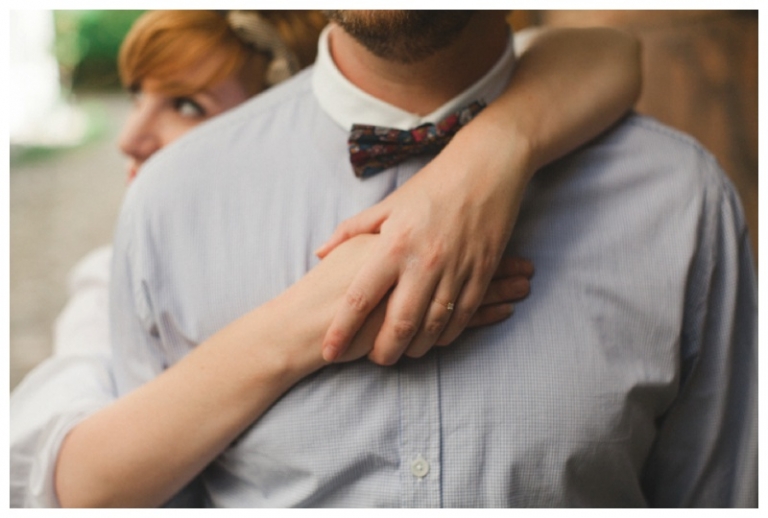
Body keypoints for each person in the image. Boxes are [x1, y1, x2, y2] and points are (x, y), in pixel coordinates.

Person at [10, 10, 653, 507]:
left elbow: (608, 51)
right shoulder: (129, 258)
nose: (130, 135)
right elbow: (74, 485)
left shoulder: (661, 195)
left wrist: (492, 153)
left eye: (187, 105)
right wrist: (329, 302)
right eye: (136, 96)